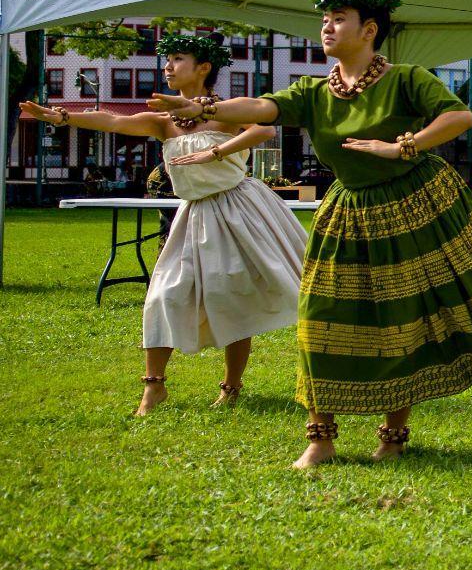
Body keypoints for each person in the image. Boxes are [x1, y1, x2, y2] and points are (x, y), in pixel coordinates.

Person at [150, 0, 472, 468]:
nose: (327, 27)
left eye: (339, 19)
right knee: (319, 317)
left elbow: (458, 118)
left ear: (369, 30)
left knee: (399, 321)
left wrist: (400, 146)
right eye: (324, 20)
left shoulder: (406, 78)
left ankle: (392, 436)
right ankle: (320, 438)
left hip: (413, 206)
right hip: (347, 208)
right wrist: (205, 107)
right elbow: (264, 108)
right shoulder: (312, 91)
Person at [20, 33, 301, 416]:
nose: (168, 66)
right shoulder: (164, 122)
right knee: (163, 294)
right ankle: (154, 387)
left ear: (203, 68)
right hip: (194, 214)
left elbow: (264, 129)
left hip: (239, 209)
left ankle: (231, 388)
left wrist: (216, 150)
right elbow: (114, 121)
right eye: (167, 59)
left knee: (235, 297)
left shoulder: (227, 110)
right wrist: (64, 116)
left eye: (178, 59)